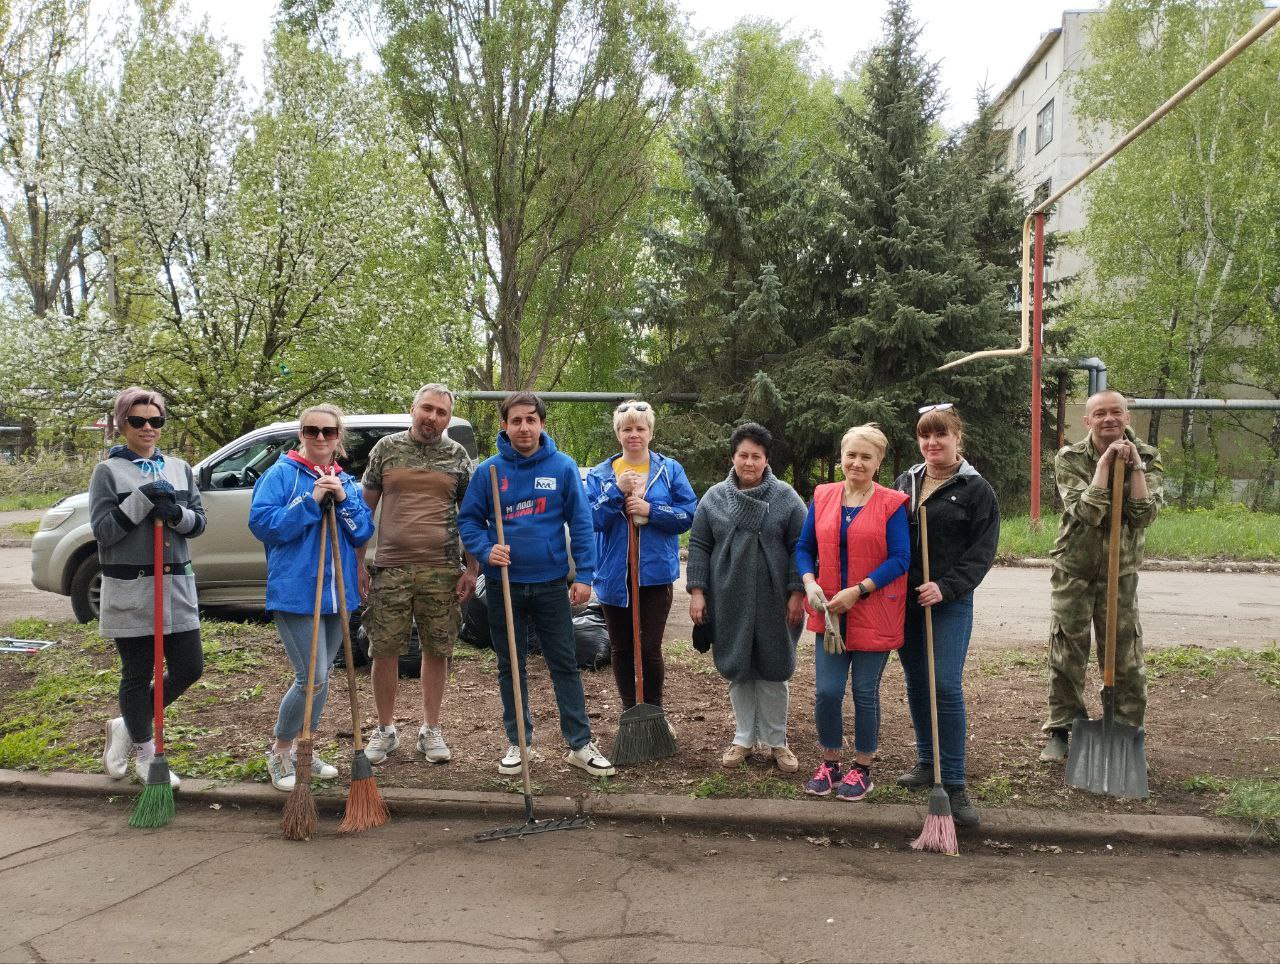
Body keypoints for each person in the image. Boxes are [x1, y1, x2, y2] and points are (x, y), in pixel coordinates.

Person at [458, 391, 615, 777]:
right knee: (511, 664)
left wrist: (585, 576)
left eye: (531, 419)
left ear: (542, 424)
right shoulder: (489, 472)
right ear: (505, 426)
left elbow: (581, 524)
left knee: (563, 663)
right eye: (516, 421)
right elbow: (468, 522)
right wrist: (485, 548)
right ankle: (520, 743)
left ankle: (579, 744)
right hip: (503, 584)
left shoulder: (562, 468)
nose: (524, 427)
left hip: (549, 584)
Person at [248, 404, 375, 791]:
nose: (320, 437)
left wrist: (343, 499)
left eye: (328, 431)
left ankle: (306, 748)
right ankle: (281, 751)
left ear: (339, 438)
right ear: (301, 434)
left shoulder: (346, 481)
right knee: (312, 678)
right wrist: (310, 502)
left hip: (338, 595)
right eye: (312, 430)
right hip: (296, 592)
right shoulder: (280, 475)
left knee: (321, 679)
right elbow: (263, 525)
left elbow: (362, 531)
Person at [357, 384, 478, 765]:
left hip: (441, 569)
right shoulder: (386, 450)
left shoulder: (458, 456)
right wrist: (358, 563)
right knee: (384, 648)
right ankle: (385, 729)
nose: (433, 417)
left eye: (442, 412)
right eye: (427, 408)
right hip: (390, 567)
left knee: (437, 649)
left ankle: (431, 729)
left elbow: (471, 517)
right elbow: (364, 511)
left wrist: (471, 569)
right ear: (413, 409)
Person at [1040, 389, 1163, 762]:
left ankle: (1126, 731)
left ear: (1127, 418)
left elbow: (1143, 515)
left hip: (1120, 572)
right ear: (1088, 420)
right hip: (1074, 569)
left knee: (1125, 651)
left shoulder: (1150, 456)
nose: (1108, 419)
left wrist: (1136, 465)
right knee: (1067, 650)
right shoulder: (1070, 457)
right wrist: (1105, 466)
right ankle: (1063, 729)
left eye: (1116, 412)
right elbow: (1088, 512)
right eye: (1100, 413)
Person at [892, 405, 1000, 827]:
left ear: (958, 438)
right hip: (906, 602)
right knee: (917, 682)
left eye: (941, 435)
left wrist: (947, 586)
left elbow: (982, 553)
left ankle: (954, 783)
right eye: (925, 436)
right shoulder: (907, 481)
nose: (932, 443)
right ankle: (925, 763)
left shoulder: (976, 489)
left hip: (949, 602)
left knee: (946, 685)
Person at [93, 387, 206, 789]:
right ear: (122, 423)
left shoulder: (179, 468)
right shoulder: (108, 472)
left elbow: (199, 521)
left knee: (191, 667)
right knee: (138, 674)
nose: (147, 428)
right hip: (131, 588)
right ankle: (145, 752)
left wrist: (175, 513)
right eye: (137, 421)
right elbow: (104, 532)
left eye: (155, 421)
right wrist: (139, 501)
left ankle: (128, 723)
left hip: (175, 585)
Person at [797, 423, 909, 801]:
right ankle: (830, 762)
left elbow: (901, 558)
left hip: (873, 611)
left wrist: (859, 590)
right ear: (841, 457)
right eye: (851, 455)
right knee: (827, 692)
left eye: (866, 456)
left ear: (878, 462)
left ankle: (862, 768)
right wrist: (810, 581)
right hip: (829, 613)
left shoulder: (891, 503)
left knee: (864, 691)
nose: (857, 462)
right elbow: (803, 547)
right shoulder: (823, 496)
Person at [686, 423, 807, 773]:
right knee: (739, 669)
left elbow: (802, 546)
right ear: (733, 457)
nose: (749, 462)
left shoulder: (785, 497)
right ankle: (742, 739)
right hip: (728, 598)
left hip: (777, 600)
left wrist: (797, 592)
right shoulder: (713, 498)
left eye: (756, 456)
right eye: (743, 455)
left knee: (774, 670)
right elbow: (699, 545)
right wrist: (697, 592)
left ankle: (776, 742)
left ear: (766, 459)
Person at [586, 400, 697, 725]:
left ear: (650, 432)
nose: (634, 434)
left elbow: (688, 512)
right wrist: (615, 492)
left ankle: (655, 716)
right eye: (627, 429)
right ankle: (631, 715)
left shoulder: (669, 469)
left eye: (640, 428)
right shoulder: (601, 474)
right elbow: (591, 518)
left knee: (649, 648)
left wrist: (652, 511)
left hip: (654, 574)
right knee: (621, 648)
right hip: (613, 575)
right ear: (618, 434)